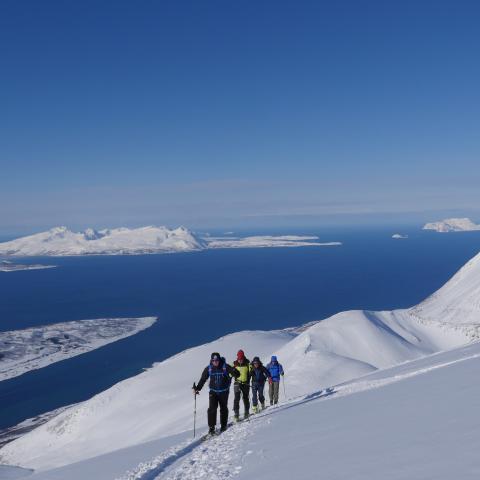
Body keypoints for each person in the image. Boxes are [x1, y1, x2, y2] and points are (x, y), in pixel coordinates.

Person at [193, 352, 240, 435]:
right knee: (212, 409)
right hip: (213, 392)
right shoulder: (209, 368)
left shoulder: (225, 366)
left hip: (224, 392)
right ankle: (211, 428)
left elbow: (236, 373)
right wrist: (197, 388)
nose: (215, 362)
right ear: (211, 360)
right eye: (214, 360)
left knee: (223, 408)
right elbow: (203, 379)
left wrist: (235, 372)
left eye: (217, 360)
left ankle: (223, 425)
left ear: (219, 360)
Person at [233, 349, 251, 421]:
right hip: (237, 383)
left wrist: (250, 377)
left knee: (245, 398)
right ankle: (236, 414)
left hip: (245, 383)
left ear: (243, 357)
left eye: (241, 358)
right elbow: (229, 371)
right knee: (237, 398)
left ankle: (246, 412)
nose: (240, 360)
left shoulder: (247, 363)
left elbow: (251, 371)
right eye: (239, 359)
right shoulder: (234, 363)